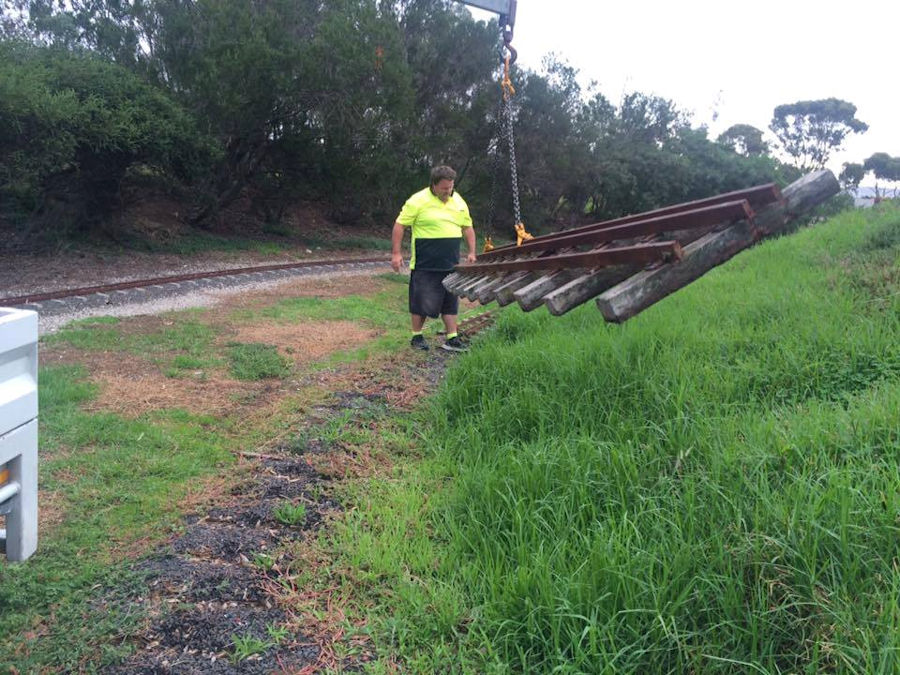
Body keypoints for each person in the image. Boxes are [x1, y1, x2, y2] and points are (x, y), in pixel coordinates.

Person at [391, 165, 477, 352]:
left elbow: (467, 227)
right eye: (444, 188)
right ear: (434, 185)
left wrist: (472, 252)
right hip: (426, 263)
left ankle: (452, 338)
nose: (448, 191)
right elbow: (400, 225)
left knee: (450, 302)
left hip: (451, 263)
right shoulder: (418, 200)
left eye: (451, 187)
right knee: (421, 301)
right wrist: (396, 253)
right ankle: (416, 337)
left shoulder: (458, 201)